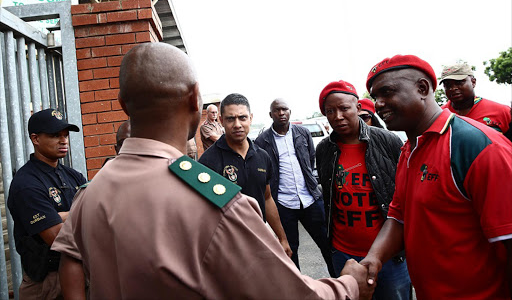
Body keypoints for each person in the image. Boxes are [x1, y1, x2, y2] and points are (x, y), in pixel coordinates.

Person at [51, 42, 374, 299]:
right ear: (195, 99)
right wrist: (349, 284)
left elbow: (71, 262)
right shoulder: (213, 202)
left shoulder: (90, 192)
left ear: (123, 105)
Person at [362, 54, 512, 299]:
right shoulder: (408, 149)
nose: (378, 104)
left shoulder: (478, 147)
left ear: (422, 88)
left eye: (386, 92)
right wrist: (373, 259)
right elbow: (399, 215)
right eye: (375, 97)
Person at [315, 80, 411, 299]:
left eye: (344, 108)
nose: (337, 116)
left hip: (389, 255)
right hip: (343, 253)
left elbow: (404, 195)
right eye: (330, 111)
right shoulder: (324, 149)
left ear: (358, 108)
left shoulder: (387, 141)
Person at [199, 93, 294, 258]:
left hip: (260, 238)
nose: (237, 124)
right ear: (221, 121)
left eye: (242, 118)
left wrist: (282, 237)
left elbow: (267, 198)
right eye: (230, 119)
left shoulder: (262, 156)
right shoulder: (208, 161)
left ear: (250, 118)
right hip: (226, 247)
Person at [7, 108, 87, 299]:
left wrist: (61, 216)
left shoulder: (72, 175)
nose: (63, 140)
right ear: (35, 139)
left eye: (65, 135)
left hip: (79, 271)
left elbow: (98, 210)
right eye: (54, 135)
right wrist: (81, 212)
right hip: (48, 282)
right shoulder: (26, 183)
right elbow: (56, 236)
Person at [255, 98, 336, 277]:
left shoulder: (302, 133)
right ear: (271, 114)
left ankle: (339, 284)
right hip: (283, 203)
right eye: (277, 110)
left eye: (284, 109)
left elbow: (310, 159)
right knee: (290, 251)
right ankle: (298, 290)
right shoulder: (262, 141)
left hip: (310, 199)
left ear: (290, 111)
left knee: (327, 243)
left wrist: (312, 184)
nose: (281, 113)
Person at [440, 62, 511, 140]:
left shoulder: (502, 111)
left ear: (473, 82)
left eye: (459, 82)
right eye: (447, 85)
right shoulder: (439, 115)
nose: (453, 88)